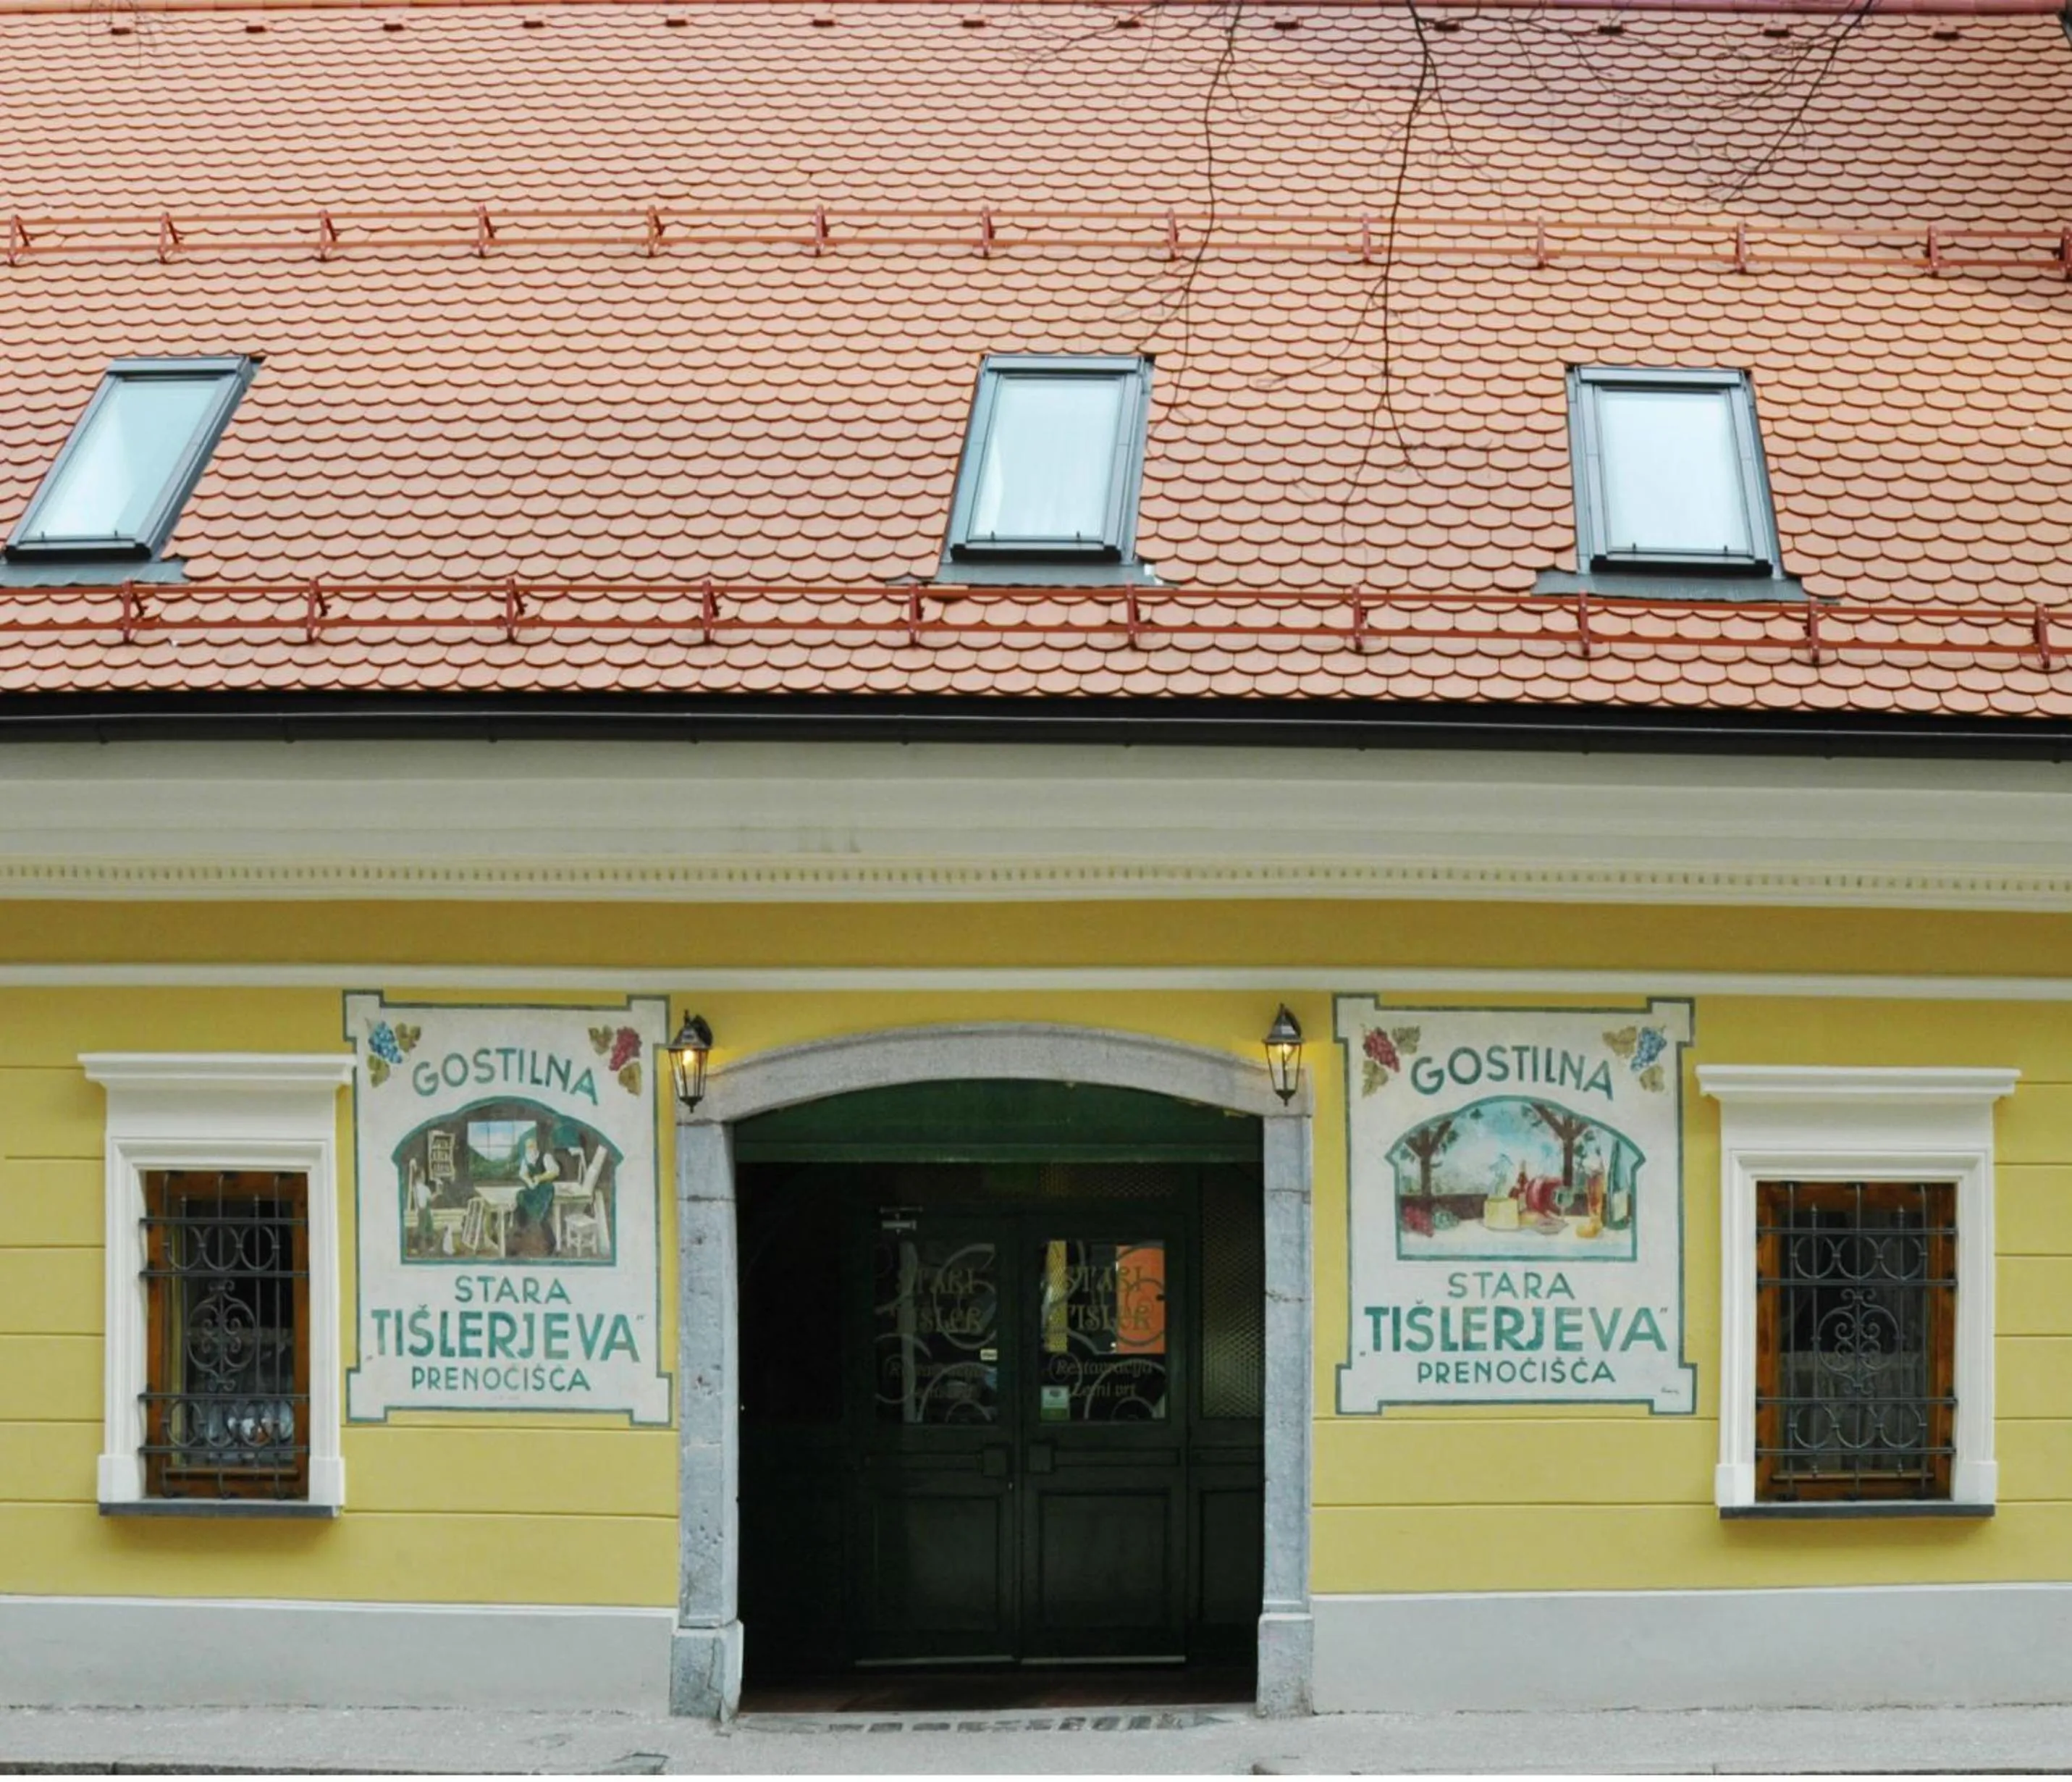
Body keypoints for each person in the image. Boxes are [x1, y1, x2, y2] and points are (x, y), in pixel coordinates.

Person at [513, 1129, 559, 1255]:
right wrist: (529, 1181)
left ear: (536, 1146)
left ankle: (551, 1244)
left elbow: (554, 1172)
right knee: (521, 1196)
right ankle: (522, 1228)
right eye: (528, 1147)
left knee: (543, 1216)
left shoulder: (545, 1156)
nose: (530, 1149)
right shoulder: (526, 1159)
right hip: (534, 1188)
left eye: (532, 1146)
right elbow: (523, 1174)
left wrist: (540, 1178)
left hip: (545, 1189)